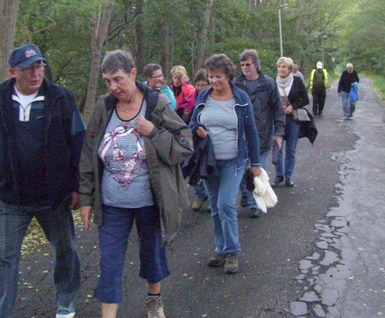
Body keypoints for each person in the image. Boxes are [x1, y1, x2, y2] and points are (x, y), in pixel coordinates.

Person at [0, 44, 85, 318]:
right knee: (4, 259)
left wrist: (79, 187)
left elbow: (79, 144)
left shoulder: (62, 98)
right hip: (12, 198)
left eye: (39, 66)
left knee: (66, 249)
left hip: (53, 197)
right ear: (13, 72)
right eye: (28, 69)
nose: (36, 74)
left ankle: (66, 301)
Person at [79, 50, 193, 318]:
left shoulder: (155, 104)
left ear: (132, 74)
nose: (113, 87)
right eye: (107, 81)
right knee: (109, 263)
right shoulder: (104, 107)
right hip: (111, 203)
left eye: (118, 79)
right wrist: (85, 198)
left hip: (149, 200)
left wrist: (154, 132)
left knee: (152, 253)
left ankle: (154, 299)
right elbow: (87, 152)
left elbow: (184, 146)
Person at [189, 54, 261, 274]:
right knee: (215, 208)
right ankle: (221, 249)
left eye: (218, 77)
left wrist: (256, 163)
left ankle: (232, 252)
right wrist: (197, 129)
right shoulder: (203, 96)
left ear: (228, 76)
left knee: (226, 205)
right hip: (209, 162)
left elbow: (251, 131)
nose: (214, 81)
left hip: (234, 161)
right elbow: (192, 122)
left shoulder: (240, 99)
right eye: (211, 77)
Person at [233, 49, 285, 218]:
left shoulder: (268, 84)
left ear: (255, 65)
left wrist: (279, 133)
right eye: (242, 65)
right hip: (240, 136)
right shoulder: (236, 84)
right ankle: (247, 195)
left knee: (257, 171)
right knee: (240, 171)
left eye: (248, 64)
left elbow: (278, 109)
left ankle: (254, 204)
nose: (245, 68)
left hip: (262, 135)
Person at [274, 56, 310, 187]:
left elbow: (306, 100)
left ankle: (288, 176)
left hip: (293, 120)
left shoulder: (297, 81)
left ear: (289, 69)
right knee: (277, 148)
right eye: (279, 67)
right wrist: (278, 107)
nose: (281, 69)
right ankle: (279, 175)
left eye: (283, 67)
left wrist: (292, 106)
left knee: (291, 149)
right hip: (277, 120)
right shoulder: (273, 82)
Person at [190, 69, 210, 211]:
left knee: (210, 170)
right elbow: (191, 121)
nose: (200, 88)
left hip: (212, 141)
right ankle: (200, 194)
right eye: (198, 85)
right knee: (194, 168)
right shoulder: (194, 98)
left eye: (203, 85)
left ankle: (210, 198)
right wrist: (196, 128)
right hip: (197, 139)